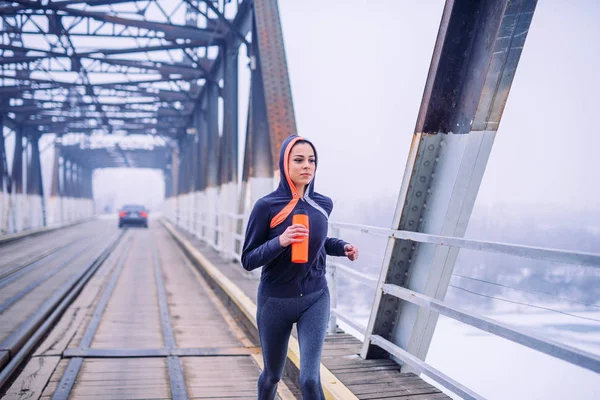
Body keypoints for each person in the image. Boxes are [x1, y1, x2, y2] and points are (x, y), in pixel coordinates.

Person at [241, 135, 359, 399]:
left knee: (309, 379)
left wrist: (341, 247)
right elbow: (248, 259)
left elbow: (317, 242)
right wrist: (280, 242)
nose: (307, 165)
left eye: (311, 160)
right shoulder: (266, 206)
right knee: (272, 375)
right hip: (275, 301)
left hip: (315, 298)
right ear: (285, 164)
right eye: (299, 160)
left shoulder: (323, 203)